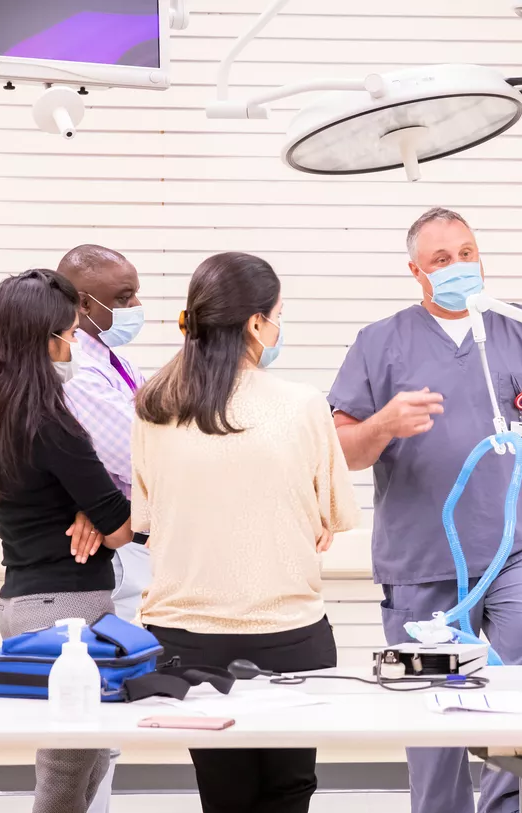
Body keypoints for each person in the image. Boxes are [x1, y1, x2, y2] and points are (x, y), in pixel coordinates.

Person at [327, 207, 522, 813]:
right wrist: (382, 424)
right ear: (416, 272)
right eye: (442, 260)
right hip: (420, 558)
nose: (458, 267)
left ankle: (509, 806)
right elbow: (342, 451)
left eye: (467, 253)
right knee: (429, 717)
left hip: (521, 549)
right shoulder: (379, 343)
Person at [133, 252, 360, 813]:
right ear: (257, 323)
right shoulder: (302, 404)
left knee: (224, 793)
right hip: (289, 632)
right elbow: (334, 515)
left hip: (183, 638)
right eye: (278, 315)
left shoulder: (154, 406)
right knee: (288, 790)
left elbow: (147, 520)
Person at [0, 269, 135, 813]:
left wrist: (91, 505)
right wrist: (103, 508)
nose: (73, 348)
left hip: (25, 601)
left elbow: (70, 501)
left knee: (83, 763)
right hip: (67, 608)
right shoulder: (53, 423)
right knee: (66, 774)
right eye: (66, 335)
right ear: (45, 342)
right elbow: (122, 528)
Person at [55, 244, 149, 813]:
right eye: (124, 297)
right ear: (82, 302)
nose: (137, 306)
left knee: (105, 728)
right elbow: (140, 452)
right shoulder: (77, 370)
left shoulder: (107, 357)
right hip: (99, 555)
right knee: (86, 727)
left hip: (122, 541)